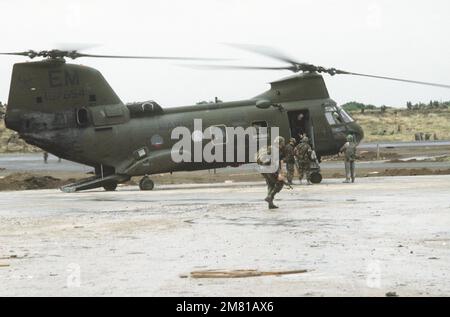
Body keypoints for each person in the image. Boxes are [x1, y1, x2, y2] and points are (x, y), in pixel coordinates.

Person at [256, 136, 286, 209]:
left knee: (270, 185)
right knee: (280, 183)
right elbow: (275, 163)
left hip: (262, 168)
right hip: (269, 169)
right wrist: (279, 174)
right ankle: (270, 197)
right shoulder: (275, 150)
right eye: (282, 143)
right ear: (280, 143)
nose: (282, 145)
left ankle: (270, 204)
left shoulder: (267, 148)